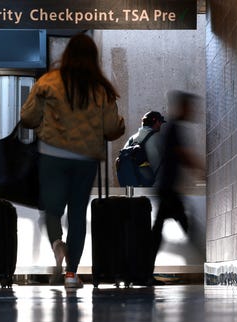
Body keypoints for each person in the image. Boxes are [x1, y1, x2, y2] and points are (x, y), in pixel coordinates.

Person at [20, 33, 125, 288]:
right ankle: (71, 275)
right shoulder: (101, 89)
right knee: (77, 213)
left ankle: (57, 243)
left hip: (52, 155)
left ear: (66, 55)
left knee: (52, 209)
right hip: (85, 158)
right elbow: (112, 128)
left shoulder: (47, 82)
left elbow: (29, 118)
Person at [150, 90, 204, 284]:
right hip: (168, 189)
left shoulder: (172, 127)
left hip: (167, 188)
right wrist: (200, 169)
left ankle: (144, 270)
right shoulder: (173, 127)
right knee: (187, 227)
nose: (193, 111)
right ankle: (207, 264)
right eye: (190, 107)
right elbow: (183, 154)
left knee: (159, 232)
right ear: (182, 107)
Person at [123, 110, 166, 179]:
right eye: (160, 122)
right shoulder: (155, 138)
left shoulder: (132, 138)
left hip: (130, 181)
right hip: (146, 183)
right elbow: (157, 164)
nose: (161, 125)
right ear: (157, 122)